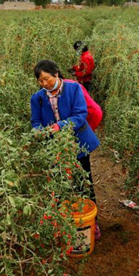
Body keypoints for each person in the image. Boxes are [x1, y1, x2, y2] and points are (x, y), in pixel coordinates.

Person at [30, 60, 101, 234]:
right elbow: (36, 122)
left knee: (83, 181)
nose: (44, 83)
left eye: (47, 78)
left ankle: (92, 223)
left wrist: (60, 126)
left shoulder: (73, 89)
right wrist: (40, 131)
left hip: (77, 143)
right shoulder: (37, 98)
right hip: (54, 147)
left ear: (56, 73)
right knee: (58, 182)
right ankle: (63, 222)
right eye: (40, 81)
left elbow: (80, 114)